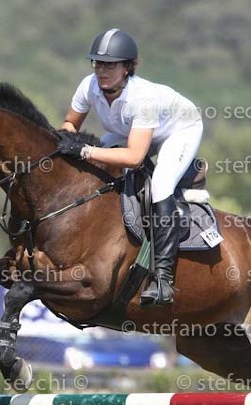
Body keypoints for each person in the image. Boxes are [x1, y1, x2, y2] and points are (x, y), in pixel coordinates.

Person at [58, 28, 203, 306]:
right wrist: (68, 139)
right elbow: (69, 124)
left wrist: (85, 150)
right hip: (131, 130)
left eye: (110, 65)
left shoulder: (142, 98)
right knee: (98, 163)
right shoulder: (88, 85)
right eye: (98, 63)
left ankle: (163, 278)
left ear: (127, 68)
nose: (101, 70)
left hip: (179, 128)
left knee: (160, 185)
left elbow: (135, 157)